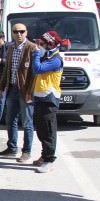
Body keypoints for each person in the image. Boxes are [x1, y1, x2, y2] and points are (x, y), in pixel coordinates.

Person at [0, 23, 37, 162]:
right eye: (15, 31)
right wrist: (1, 87)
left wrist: (31, 91)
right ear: (12, 33)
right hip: (12, 89)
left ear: (26, 32)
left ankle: (26, 151)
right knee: (10, 119)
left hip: (25, 91)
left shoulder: (32, 48)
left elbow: (34, 73)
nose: (19, 34)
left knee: (27, 122)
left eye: (21, 31)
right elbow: (7, 70)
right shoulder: (11, 47)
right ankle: (12, 148)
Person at [31, 30, 64, 173]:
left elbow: (38, 69)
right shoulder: (47, 56)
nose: (40, 46)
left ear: (50, 45)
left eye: (42, 44)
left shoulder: (55, 59)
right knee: (41, 129)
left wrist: (37, 53)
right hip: (40, 97)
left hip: (49, 99)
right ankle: (44, 156)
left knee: (49, 130)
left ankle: (49, 160)